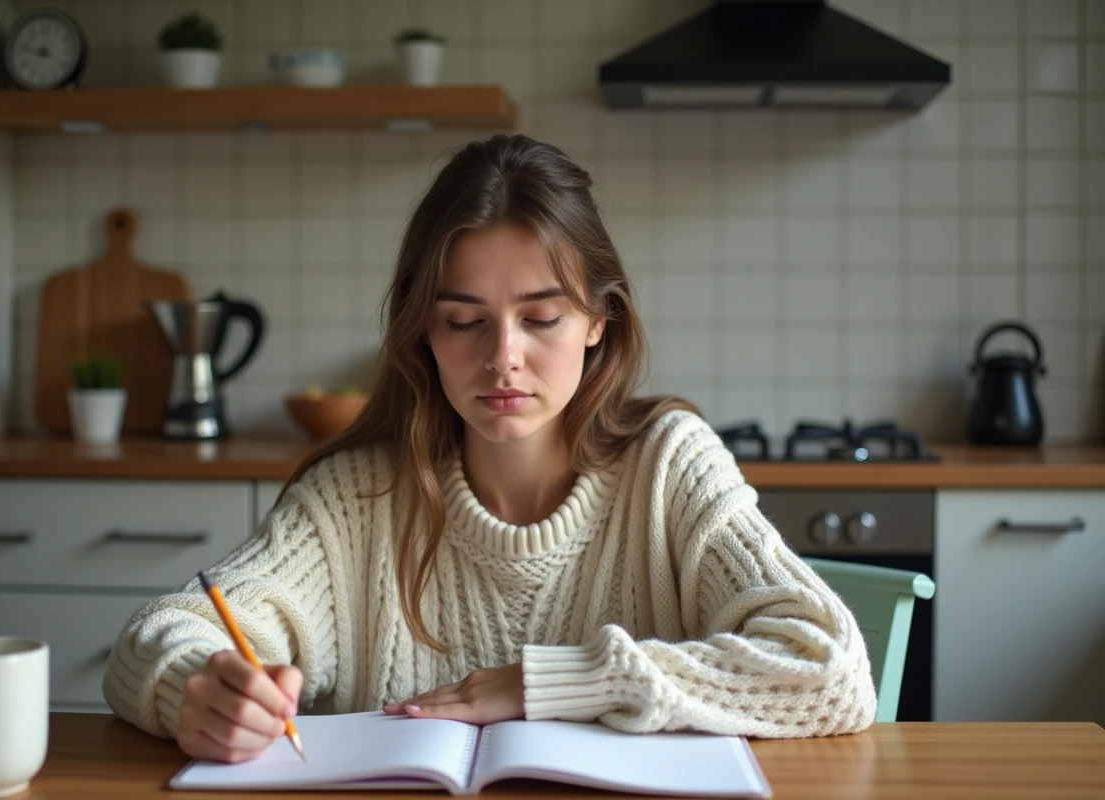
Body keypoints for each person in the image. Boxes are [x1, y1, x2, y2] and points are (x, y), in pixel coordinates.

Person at [103, 134, 877, 764]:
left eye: (541, 318)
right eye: (464, 322)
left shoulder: (670, 465)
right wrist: (194, 687)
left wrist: (553, 684)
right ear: (424, 333)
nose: (503, 358)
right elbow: (156, 637)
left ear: (599, 321)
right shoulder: (353, 500)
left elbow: (832, 672)